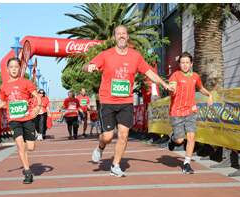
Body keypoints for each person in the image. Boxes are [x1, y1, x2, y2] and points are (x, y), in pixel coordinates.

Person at [83, 25, 174, 177]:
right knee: (108, 136)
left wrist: (164, 84)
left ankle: (115, 165)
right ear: (114, 37)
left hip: (126, 101)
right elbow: (86, 66)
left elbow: (149, 72)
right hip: (107, 100)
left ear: (127, 36)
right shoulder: (106, 55)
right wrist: (89, 67)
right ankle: (100, 147)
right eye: (118, 34)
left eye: (124, 33)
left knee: (124, 134)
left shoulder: (135, 56)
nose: (121, 36)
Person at [0, 57, 41, 184]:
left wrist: (38, 107)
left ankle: (28, 146)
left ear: (20, 68)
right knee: (20, 145)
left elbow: (37, 96)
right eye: (11, 67)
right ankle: (27, 172)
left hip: (27, 118)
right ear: (7, 69)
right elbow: (3, 102)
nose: (14, 69)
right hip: (14, 119)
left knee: (31, 147)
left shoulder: (26, 82)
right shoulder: (3, 86)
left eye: (16, 67)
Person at [167, 51, 213, 174]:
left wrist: (209, 95)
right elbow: (172, 89)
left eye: (187, 62)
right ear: (179, 64)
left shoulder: (195, 77)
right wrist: (171, 90)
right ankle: (172, 138)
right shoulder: (175, 76)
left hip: (191, 110)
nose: (185, 65)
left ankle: (186, 164)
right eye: (182, 62)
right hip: (176, 111)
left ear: (191, 64)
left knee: (191, 137)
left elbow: (200, 88)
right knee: (179, 140)